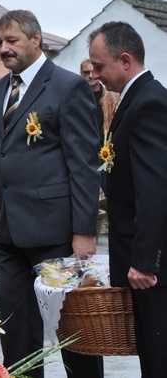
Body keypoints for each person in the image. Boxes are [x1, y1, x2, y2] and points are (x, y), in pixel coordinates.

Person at [0, 10, 103, 378]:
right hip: (10, 234)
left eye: (12, 41)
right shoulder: (0, 90)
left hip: (57, 235)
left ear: (36, 40)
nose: (4, 49)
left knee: (74, 337)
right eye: (0, 42)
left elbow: (84, 166)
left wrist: (84, 232)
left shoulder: (68, 88)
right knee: (16, 333)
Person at [88, 21, 167, 377]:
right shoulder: (135, 99)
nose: (96, 74)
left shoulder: (149, 102)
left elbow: (155, 187)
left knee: (159, 355)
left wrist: (146, 261)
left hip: (151, 267)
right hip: (138, 255)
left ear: (124, 60)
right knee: (150, 354)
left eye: (100, 66)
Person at [80, 58, 119, 144]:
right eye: (86, 72)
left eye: (93, 71)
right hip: (84, 148)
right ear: (81, 74)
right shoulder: (75, 98)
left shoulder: (113, 97)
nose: (90, 76)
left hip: (107, 150)